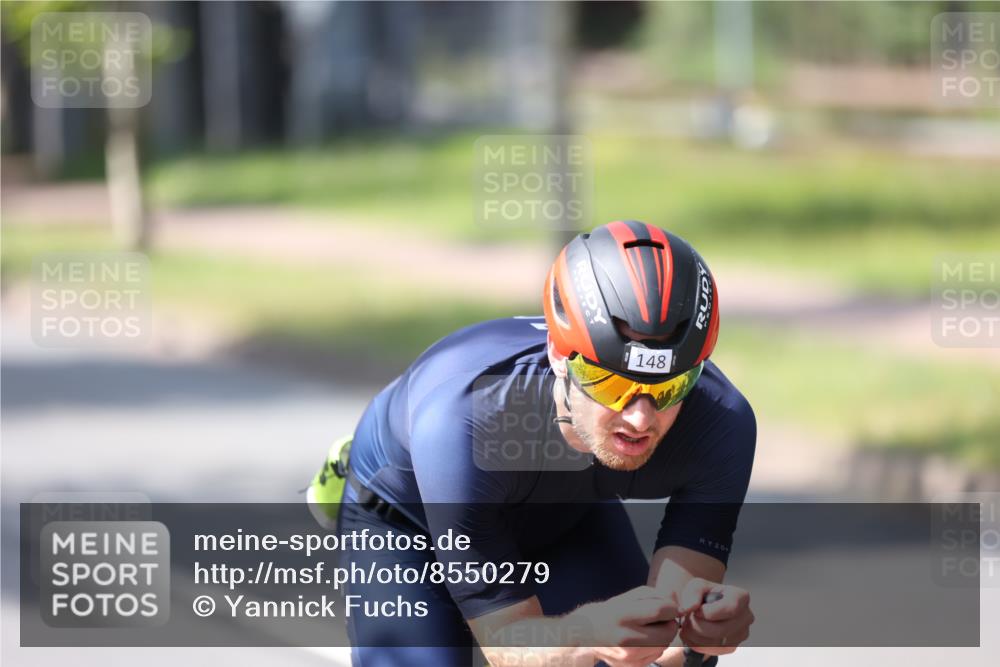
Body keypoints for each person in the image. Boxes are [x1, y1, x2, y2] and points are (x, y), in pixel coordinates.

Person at [310, 220, 756, 666]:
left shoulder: (721, 423)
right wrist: (587, 635)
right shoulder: (467, 423)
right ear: (561, 357)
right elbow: (506, 643)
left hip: (562, 514)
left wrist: (698, 638)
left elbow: (670, 645)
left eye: (669, 386)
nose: (640, 416)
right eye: (610, 383)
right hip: (411, 520)